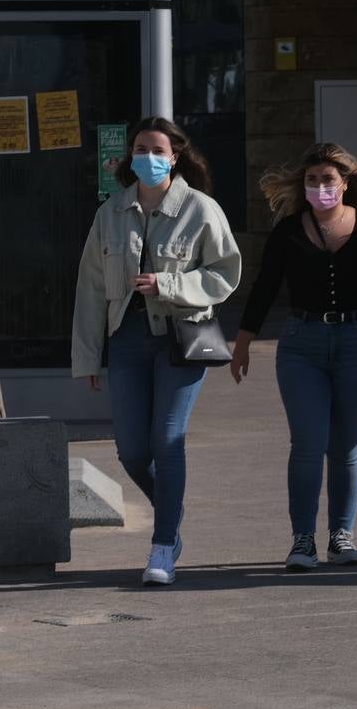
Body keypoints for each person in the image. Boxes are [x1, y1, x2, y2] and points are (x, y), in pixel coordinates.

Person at [71, 117, 241, 586]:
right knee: (129, 450)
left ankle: (164, 543)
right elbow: (89, 288)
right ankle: (172, 508)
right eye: (140, 148)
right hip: (125, 340)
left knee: (167, 439)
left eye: (157, 149)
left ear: (175, 155)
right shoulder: (111, 212)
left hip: (180, 339)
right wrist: (88, 356)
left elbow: (224, 274)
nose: (147, 156)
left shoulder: (201, 208)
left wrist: (167, 282)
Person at [232, 143, 357, 571]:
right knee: (307, 443)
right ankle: (302, 541)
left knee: (346, 444)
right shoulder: (288, 231)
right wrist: (242, 342)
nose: (319, 187)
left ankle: (341, 536)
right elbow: (265, 288)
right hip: (302, 343)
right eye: (312, 180)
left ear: (345, 183)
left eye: (328, 180)